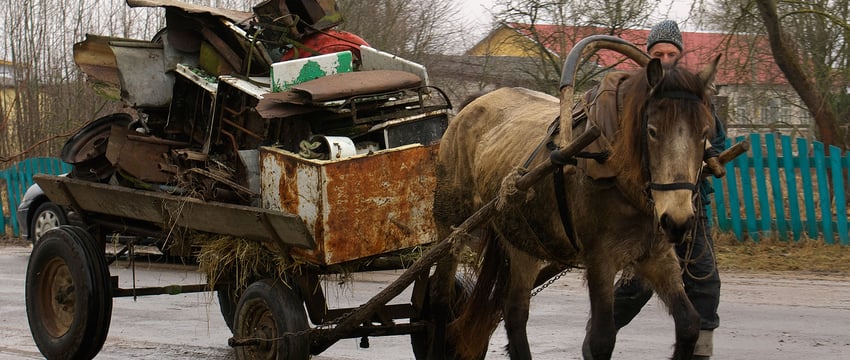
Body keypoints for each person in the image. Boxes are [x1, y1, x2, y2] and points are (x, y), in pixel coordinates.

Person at [611, 20, 726, 360]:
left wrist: (709, 155)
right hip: (644, 209)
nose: (664, 57)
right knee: (638, 285)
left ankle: (699, 353)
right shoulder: (633, 98)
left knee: (704, 278)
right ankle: (600, 335)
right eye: (658, 53)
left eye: (670, 53)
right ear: (648, 58)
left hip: (690, 205)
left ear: (679, 55)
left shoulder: (695, 96)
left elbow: (715, 137)